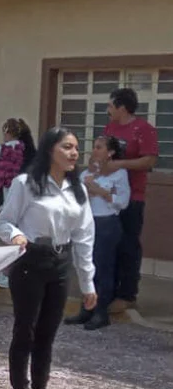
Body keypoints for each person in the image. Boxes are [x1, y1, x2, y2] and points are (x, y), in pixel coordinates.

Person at [0, 128, 96, 389]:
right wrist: (15, 235)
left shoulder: (78, 188)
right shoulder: (26, 184)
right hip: (30, 262)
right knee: (25, 331)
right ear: (50, 150)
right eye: (67, 147)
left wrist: (88, 282)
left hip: (60, 264)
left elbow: (84, 236)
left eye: (77, 148)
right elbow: (3, 220)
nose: (74, 153)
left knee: (47, 335)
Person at [104, 88, 158, 315]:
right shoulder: (110, 128)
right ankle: (109, 290)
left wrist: (120, 165)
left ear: (122, 107)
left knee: (128, 245)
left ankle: (127, 295)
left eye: (110, 106)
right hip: (109, 195)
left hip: (132, 197)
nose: (107, 110)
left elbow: (148, 160)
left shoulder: (144, 129)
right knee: (110, 244)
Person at [66, 135, 129, 331]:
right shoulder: (88, 173)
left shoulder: (119, 173)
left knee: (103, 268)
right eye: (94, 147)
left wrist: (101, 191)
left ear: (110, 152)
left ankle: (101, 311)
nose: (95, 151)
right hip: (87, 222)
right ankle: (86, 308)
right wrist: (85, 186)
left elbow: (123, 201)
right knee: (86, 266)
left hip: (106, 223)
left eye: (99, 147)